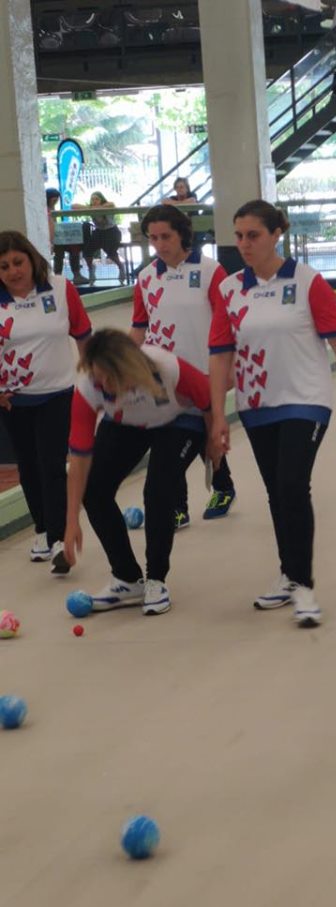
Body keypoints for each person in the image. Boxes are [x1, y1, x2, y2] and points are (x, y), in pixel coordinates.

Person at [208, 200, 336, 628]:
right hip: (257, 405)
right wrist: (217, 416)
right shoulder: (229, 290)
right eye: (238, 235)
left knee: (293, 484)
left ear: (276, 233)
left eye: (253, 235)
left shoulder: (307, 281)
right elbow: (221, 354)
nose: (243, 244)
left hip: (306, 399)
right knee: (277, 492)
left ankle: (304, 584)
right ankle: (288, 572)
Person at [64, 329, 213, 616]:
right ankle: (127, 579)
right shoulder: (87, 389)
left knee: (158, 489)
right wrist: (71, 521)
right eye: (99, 377)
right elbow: (80, 457)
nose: (105, 384)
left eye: (112, 377)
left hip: (181, 421)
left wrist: (214, 443)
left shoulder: (164, 366)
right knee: (94, 491)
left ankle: (156, 579)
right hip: (129, 423)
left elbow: (208, 401)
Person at [130, 204, 235, 528]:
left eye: (166, 236)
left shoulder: (209, 271)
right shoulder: (146, 278)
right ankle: (178, 506)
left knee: (207, 432)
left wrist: (229, 370)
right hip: (163, 376)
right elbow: (139, 326)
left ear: (182, 235)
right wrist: (124, 363)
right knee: (169, 439)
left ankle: (222, 486)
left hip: (205, 371)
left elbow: (228, 324)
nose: (160, 244)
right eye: (153, 238)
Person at [0, 230, 92, 574]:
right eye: (4, 266)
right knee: (28, 467)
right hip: (13, 400)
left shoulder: (59, 288)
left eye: (18, 262)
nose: (13, 271)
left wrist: (91, 380)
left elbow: (83, 334)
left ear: (31, 259)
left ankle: (57, 538)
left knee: (52, 465)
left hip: (58, 393)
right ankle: (41, 527)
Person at [75, 191, 126, 285]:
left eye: (97, 199)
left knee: (111, 253)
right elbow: (74, 206)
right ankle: (91, 268)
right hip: (99, 232)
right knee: (87, 252)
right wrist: (91, 208)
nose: (94, 201)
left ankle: (121, 267)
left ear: (102, 199)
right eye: (92, 199)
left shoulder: (107, 205)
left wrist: (95, 208)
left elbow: (112, 204)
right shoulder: (90, 208)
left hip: (111, 232)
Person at [46, 187, 89, 286]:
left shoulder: (51, 208)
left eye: (57, 199)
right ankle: (58, 276)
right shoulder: (46, 209)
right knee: (59, 255)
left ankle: (75, 274)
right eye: (54, 199)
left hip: (58, 237)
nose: (56, 201)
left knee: (72, 251)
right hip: (53, 238)